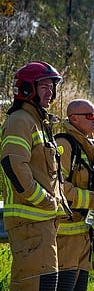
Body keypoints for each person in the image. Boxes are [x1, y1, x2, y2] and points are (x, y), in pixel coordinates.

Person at [0, 61, 70, 290]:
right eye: (44, 87)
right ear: (28, 89)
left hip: (41, 223)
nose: (50, 91)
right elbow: (13, 165)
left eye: (52, 86)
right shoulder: (21, 120)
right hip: (30, 222)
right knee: (37, 286)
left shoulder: (38, 122)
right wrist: (43, 199)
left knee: (45, 285)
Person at [55, 99, 94, 291]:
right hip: (65, 235)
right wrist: (93, 198)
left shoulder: (91, 146)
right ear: (74, 118)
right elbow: (58, 187)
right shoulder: (64, 145)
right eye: (90, 116)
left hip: (85, 233)